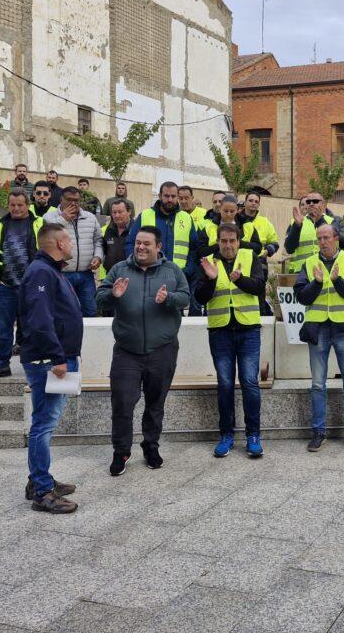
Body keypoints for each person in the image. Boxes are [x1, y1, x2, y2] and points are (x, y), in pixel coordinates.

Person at [96, 225, 189, 476]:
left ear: (158, 247)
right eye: (138, 242)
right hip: (127, 351)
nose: (140, 247)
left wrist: (169, 298)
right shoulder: (119, 269)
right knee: (123, 402)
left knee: (155, 403)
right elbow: (100, 297)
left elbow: (186, 298)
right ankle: (121, 452)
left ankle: (151, 446)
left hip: (163, 350)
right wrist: (113, 295)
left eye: (146, 244)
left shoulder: (172, 271)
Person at [19, 222, 81, 513]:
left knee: (44, 421)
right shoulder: (42, 272)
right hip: (49, 360)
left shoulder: (50, 270)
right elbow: (40, 319)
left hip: (55, 357)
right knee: (44, 423)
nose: (71, 243)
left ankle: (38, 479)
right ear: (57, 244)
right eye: (67, 239)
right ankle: (43, 492)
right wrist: (58, 357)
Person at [192, 223, 265, 458]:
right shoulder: (208, 261)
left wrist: (240, 279)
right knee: (224, 384)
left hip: (248, 330)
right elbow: (199, 296)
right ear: (219, 241)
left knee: (249, 382)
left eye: (232, 240)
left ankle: (253, 435)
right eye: (223, 241)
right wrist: (212, 279)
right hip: (220, 331)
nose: (228, 245)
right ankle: (226, 435)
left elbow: (259, 288)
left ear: (238, 240)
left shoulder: (250, 255)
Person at [295, 223, 344, 453]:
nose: (322, 242)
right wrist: (316, 283)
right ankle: (318, 432)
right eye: (319, 238)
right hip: (318, 329)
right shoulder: (308, 262)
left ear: (336, 238)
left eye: (326, 237)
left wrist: (337, 281)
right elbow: (302, 297)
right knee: (317, 384)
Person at [0, 189, 42, 381]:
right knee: (4, 330)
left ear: (28, 205)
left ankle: (33, 366)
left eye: (20, 205)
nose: (16, 209)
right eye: (12, 205)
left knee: (33, 328)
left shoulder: (39, 223)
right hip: (4, 286)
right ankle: (1, 365)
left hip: (31, 287)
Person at [44, 187, 103, 317]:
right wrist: (63, 219)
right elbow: (47, 238)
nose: (73, 204)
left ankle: (87, 338)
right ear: (61, 199)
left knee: (90, 311)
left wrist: (98, 257)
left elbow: (98, 241)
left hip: (86, 274)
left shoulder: (90, 218)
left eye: (76, 200)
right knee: (63, 312)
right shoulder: (49, 218)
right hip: (62, 274)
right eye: (69, 200)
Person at [128, 181, 199, 284]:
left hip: (178, 277)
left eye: (173, 196)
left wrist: (187, 271)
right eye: (166, 196)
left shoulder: (186, 218)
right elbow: (130, 243)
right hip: (148, 276)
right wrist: (137, 266)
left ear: (177, 197)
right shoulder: (145, 215)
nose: (170, 199)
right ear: (160, 196)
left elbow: (194, 248)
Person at [284, 192, 344, 273]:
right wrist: (297, 226)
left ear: (323, 204)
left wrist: (319, 218)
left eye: (315, 201)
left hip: (327, 269)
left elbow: (342, 243)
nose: (311, 204)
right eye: (308, 202)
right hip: (303, 271)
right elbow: (289, 249)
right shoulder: (296, 222)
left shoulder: (332, 221)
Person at [241, 191, 279, 315]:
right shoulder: (237, 219)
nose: (253, 203)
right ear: (245, 202)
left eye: (256, 201)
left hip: (259, 263)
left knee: (259, 294)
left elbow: (275, 243)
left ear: (259, 205)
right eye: (250, 200)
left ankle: (260, 316)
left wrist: (267, 251)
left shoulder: (265, 222)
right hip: (239, 262)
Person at [101, 198, 132, 274]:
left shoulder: (136, 230)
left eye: (120, 212)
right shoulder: (109, 229)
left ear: (129, 212)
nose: (117, 215)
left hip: (130, 274)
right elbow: (105, 250)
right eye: (114, 212)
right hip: (110, 274)